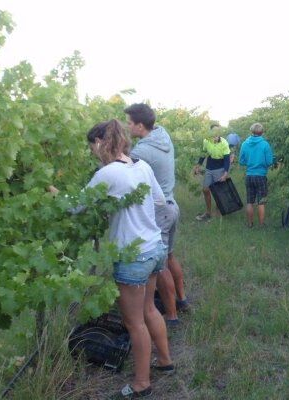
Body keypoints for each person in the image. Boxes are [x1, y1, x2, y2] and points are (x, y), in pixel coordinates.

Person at [50, 120, 174, 399]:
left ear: (98, 143)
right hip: (154, 248)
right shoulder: (141, 166)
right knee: (150, 311)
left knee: (134, 322)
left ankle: (142, 383)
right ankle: (165, 362)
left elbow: (75, 206)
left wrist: (51, 191)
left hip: (132, 256)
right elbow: (159, 200)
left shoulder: (107, 174)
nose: (93, 153)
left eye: (91, 147)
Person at [125, 103, 189, 328]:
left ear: (140, 125)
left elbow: (123, 169)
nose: (127, 127)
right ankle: (182, 300)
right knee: (169, 256)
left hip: (159, 211)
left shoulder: (141, 152)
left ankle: (171, 315)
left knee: (159, 267)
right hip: (172, 206)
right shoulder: (163, 135)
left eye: (129, 123)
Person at [238, 123, 273, 228]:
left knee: (249, 201)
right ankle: (261, 224)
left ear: (251, 131)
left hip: (249, 175)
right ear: (262, 132)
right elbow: (269, 161)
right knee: (261, 202)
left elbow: (241, 161)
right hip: (261, 175)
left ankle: (249, 224)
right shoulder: (265, 144)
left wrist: (250, 163)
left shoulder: (245, 144)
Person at [192, 128, 231, 221]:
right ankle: (208, 212)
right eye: (212, 133)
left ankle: (217, 212)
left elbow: (227, 159)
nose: (214, 136)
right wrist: (197, 166)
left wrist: (225, 173)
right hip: (209, 167)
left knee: (218, 190)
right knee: (205, 189)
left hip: (220, 167)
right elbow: (203, 154)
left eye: (216, 134)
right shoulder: (206, 140)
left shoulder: (224, 143)